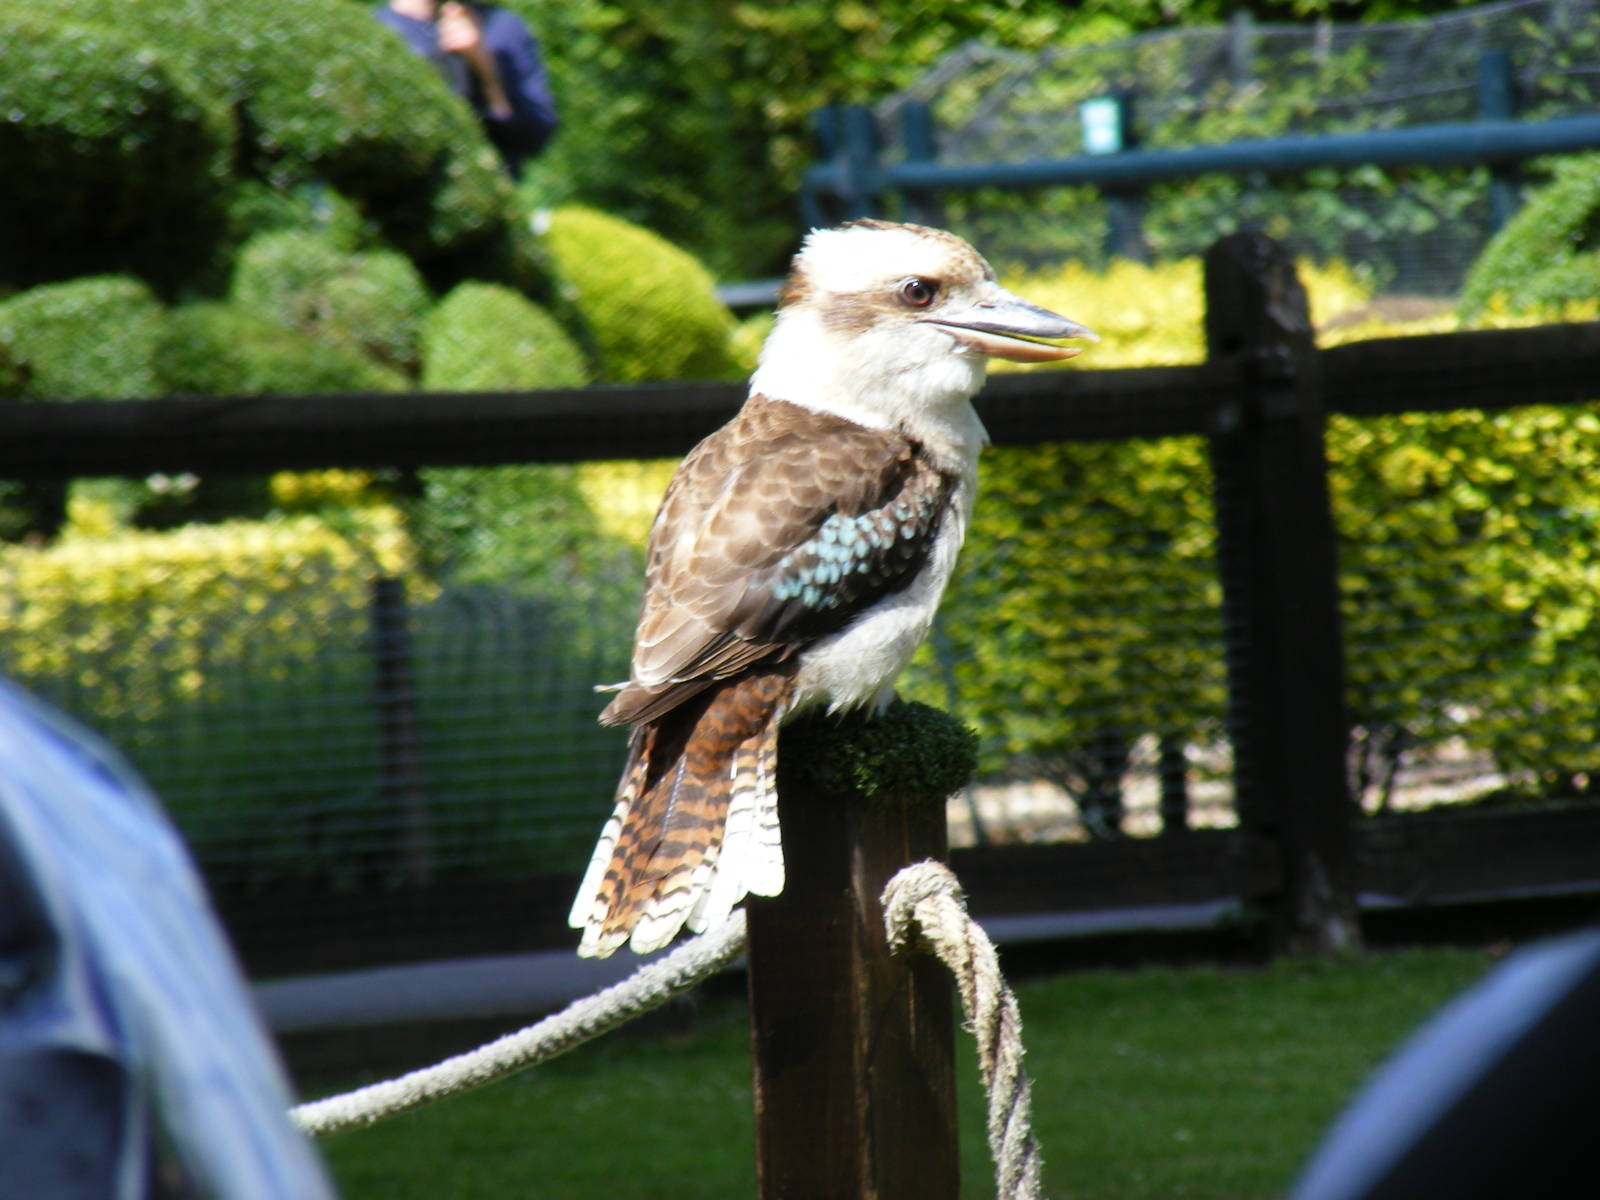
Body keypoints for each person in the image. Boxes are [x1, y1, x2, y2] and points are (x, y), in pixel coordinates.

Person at [375, 0, 558, 178]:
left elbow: (534, 137)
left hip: (488, 190)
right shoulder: (377, 29)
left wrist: (485, 70)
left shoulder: (504, 28)